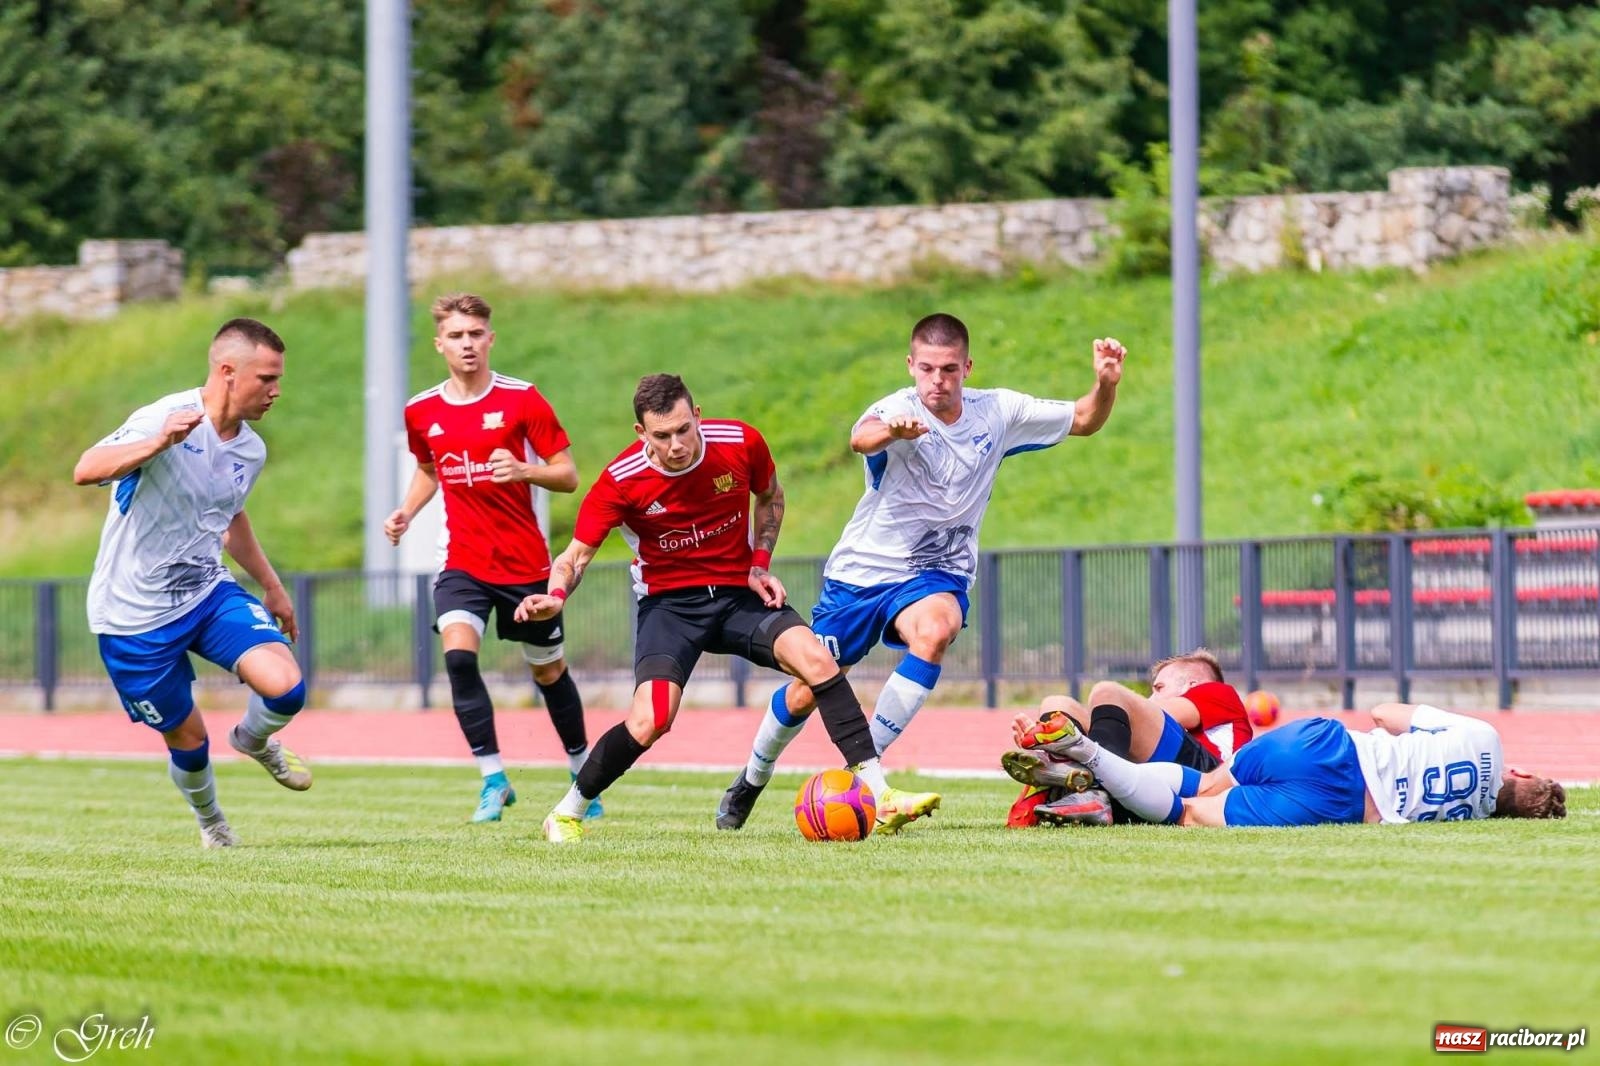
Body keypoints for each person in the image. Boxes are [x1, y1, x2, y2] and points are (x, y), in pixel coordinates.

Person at [717, 312, 1126, 830]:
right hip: (862, 576)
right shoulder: (896, 409)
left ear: (967, 367)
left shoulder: (997, 411)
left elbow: (1086, 418)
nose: (938, 381)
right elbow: (861, 439)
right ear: (911, 366)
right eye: (928, 369)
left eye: (950, 370)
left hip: (938, 572)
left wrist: (1104, 383)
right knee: (806, 690)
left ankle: (867, 777)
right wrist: (892, 430)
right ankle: (750, 781)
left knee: (934, 630)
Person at [514, 374, 941, 842]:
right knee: (652, 719)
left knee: (818, 659)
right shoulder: (621, 481)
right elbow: (574, 557)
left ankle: (880, 795)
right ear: (641, 434)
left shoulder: (740, 442)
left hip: (739, 595)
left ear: (697, 416)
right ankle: (567, 812)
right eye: (662, 435)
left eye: (683, 429)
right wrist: (554, 599)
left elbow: (771, 495)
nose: (676, 444)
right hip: (669, 608)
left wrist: (759, 563)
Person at [73, 318, 310, 849]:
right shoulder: (164, 418)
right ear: (227, 372)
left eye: (278, 379)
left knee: (287, 688)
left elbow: (232, 517)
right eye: (266, 379)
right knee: (190, 740)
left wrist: (271, 586)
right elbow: (86, 469)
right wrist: (157, 444)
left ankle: (253, 739)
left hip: (206, 591)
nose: (276, 391)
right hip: (133, 616)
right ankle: (212, 823)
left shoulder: (251, 450)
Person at [385, 293, 596, 823]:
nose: (467, 344)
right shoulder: (422, 410)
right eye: (456, 336)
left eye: (475, 334)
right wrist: (407, 511)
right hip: (462, 563)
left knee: (548, 674)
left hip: (526, 566)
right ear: (440, 344)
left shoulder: (523, 400)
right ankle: (493, 779)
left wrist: (524, 470)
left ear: (490, 338)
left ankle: (582, 773)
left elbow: (568, 475)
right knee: (458, 657)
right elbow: (430, 469)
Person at [1021, 700, 1567, 826]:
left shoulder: (1487, 739)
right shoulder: (1472, 819)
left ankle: (1087, 764)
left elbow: (1383, 712)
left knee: (1205, 783)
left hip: (1331, 746)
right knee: (1188, 812)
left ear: (1518, 774)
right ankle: (1088, 759)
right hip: (1345, 805)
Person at [1000, 648, 1254, 826]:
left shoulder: (1219, 692)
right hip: (1147, 796)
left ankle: (1073, 786)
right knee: (1057, 704)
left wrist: (1071, 737)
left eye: (1159, 688)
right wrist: (1051, 736)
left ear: (1193, 685)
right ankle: (1063, 776)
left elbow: (1154, 713)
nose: (1151, 698)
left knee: (1107, 692)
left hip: (1207, 782)